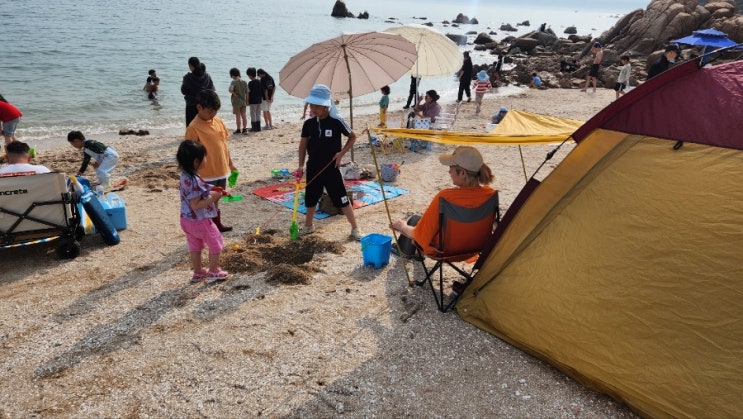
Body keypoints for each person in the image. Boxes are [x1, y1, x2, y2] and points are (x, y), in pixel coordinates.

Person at [391, 145, 496, 258]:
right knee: (417, 219)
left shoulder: (446, 198)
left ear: (463, 173)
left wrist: (402, 226)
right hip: (475, 249)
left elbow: (419, 236)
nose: (449, 171)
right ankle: (416, 251)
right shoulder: (490, 195)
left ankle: (407, 250)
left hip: (444, 252)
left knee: (413, 222)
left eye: (451, 167)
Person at [297, 84, 362, 241]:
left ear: (326, 106)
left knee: (342, 198)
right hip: (313, 166)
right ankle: (308, 226)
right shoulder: (309, 124)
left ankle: (355, 228)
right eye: (311, 105)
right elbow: (303, 145)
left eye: (316, 106)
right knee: (311, 197)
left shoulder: (336, 121)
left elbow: (352, 137)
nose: (312, 108)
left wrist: (341, 153)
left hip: (331, 168)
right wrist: (300, 165)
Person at [176, 139, 229, 283]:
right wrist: (214, 198)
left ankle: (198, 272)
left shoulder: (185, 176)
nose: (206, 159)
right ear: (196, 162)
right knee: (216, 242)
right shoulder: (195, 180)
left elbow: (198, 192)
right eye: (204, 157)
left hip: (186, 220)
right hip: (200, 221)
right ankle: (213, 271)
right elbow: (196, 204)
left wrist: (213, 190)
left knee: (194, 245)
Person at [184, 90, 236, 233]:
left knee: (216, 199)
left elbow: (224, 145)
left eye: (215, 111)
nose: (213, 114)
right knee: (206, 201)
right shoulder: (193, 128)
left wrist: (231, 164)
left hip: (221, 170)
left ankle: (216, 224)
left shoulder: (218, 122)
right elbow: (190, 155)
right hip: (205, 174)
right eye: (210, 111)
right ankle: (206, 228)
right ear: (199, 107)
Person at [181, 57, 216, 127]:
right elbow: (212, 89)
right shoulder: (207, 76)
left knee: (190, 126)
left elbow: (183, 91)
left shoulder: (188, 77)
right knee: (203, 126)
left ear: (190, 65)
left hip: (191, 104)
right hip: (204, 105)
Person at [228, 67, 249, 134]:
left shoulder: (233, 82)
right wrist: (247, 101)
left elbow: (230, 90)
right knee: (244, 115)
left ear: (232, 75)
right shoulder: (244, 82)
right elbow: (247, 92)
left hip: (236, 102)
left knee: (238, 116)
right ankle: (244, 129)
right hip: (243, 101)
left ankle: (238, 129)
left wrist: (235, 94)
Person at [246, 67, 263, 132]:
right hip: (259, 100)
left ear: (250, 75)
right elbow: (262, 91)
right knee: (258, 113)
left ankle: (254, 128)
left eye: (248, 75)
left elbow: (248, 93)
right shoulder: (259, 81)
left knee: (253, 114)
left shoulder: (250, 83)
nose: (248, 77)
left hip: (253, 101)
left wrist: (247, 101)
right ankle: (258, 127)